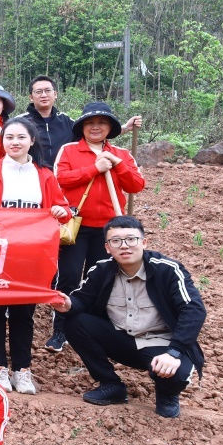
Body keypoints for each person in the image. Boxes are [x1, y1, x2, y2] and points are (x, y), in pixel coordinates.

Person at [54, 216, 206, 418]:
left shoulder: (167, 270)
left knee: (176, 374)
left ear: (144, 242)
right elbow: (82, 300)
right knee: (75, 322)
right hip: (122, 340)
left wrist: (174, 352)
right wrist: (68, 305)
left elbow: (194, 310)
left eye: (131, 239)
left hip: (161, 345)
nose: (124, 246)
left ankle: (167, 394)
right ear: (107, 247)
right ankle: (111, 384)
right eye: (116, 241)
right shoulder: (102, 269)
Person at [0, 117, 72, 394]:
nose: (14, 142)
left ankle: (22, 369)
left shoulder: (44, 174)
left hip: (31, 254)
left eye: (20, 137)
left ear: (32, 141)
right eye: (9, 137)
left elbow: (63, 208)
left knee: (24, 312)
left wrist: (61, 211)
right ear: (2, 142)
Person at [49, 102, 146, 352]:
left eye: (101, 123)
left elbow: (136, 185)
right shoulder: (69, 150)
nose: (95, 127)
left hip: (108, 230)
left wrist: (117, 164)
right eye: (90, 123)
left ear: (110, 128)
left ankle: (89, 329)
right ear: (81, 127)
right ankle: (60, 330)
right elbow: (59, 179)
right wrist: (95, 168)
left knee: (99, 279)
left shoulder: (121, 154)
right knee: (69, 276)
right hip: (75, 226)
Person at [22, 76, 75, 169]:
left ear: (55, 94)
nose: (44, 95)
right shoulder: (21, 122)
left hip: (63, 174)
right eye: (38, 92)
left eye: (48, 90)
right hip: (32, 174)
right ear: (31, 97)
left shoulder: (68, 121)